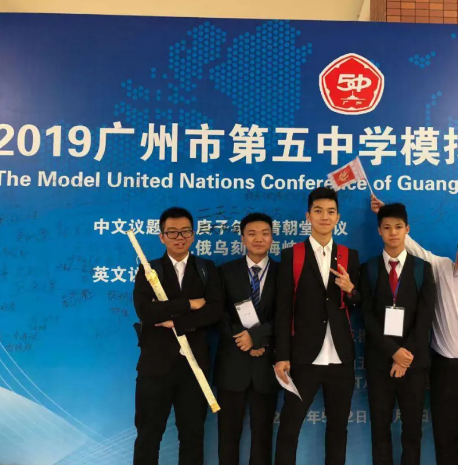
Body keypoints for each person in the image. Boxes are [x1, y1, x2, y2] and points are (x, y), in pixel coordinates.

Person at [371, 195, 458, 465]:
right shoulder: (441, 269)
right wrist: (385, 214)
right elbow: (412, 248)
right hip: (445, 370)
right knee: (445, 441)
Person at [274, 187, 361, 465]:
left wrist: (351, 290)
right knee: (290, 427)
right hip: (303, 357)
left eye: (331, 212)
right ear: (308, 216)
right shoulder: (292, 255)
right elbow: (283, 310)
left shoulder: (349, 255)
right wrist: (281, 355)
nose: (325, 217)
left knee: (338, 429)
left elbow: (360, 303)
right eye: (318, 211)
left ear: (338, 218)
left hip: (340, 358)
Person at [132, 207, 223, 465]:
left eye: (185, 231)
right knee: (148, 435)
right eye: (172, 232)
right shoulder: (149, 269)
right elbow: (146, 312)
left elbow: (215, 310)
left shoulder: (206, 268)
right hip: (155, 367)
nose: (179, 237)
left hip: (194, 369)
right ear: (162, 237)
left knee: (192, 437)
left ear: (193, 234)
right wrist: (189, 304)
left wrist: (176, 321)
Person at [360, 203, 436, 465]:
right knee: (379, 428)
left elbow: (425, 317)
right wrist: (393, 352)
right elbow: (366, 316)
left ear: (407, 230)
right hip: (379, 362)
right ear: (379, 231)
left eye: (398, 227)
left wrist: (405, 356)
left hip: (413, 364)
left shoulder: (422, 268)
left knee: (412, 430)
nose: (393, 232)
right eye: (387, 227)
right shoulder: (368, 269)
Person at [215, 213, 280, 465]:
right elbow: (218, 313)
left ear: (272, 237)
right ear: (242, 238)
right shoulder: (226, 271)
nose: (258, 239)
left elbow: (287, 316)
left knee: (262, 436)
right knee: (228, 435)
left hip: (266, 364)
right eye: (251, 234)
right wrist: (242, 340)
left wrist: (256, 338)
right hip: (233, 364)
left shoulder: (283, 273)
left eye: (265, 233)